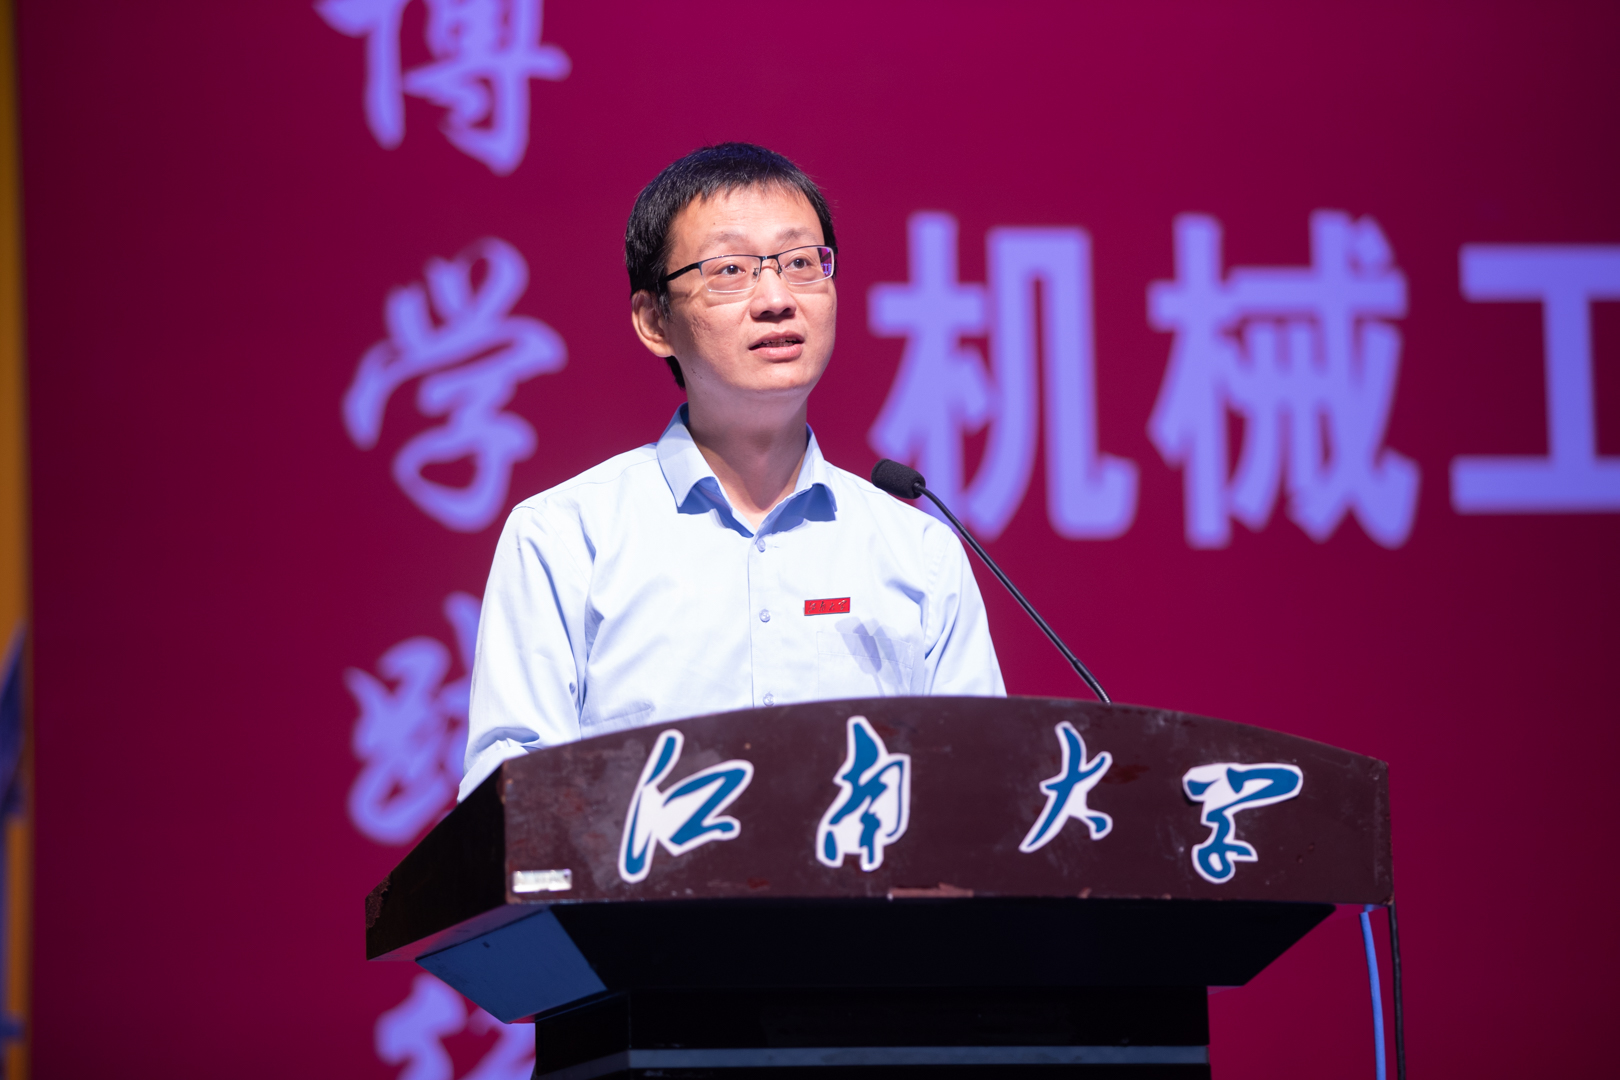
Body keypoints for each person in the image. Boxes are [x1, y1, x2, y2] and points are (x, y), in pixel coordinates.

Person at [459, 142, 1004, 800]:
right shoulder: (566, 538)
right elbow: (509, 799)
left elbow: (982, 793)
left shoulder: (919, 554)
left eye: (801, 263)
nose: (776, 298)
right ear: (654, 320)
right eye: (730, 270)